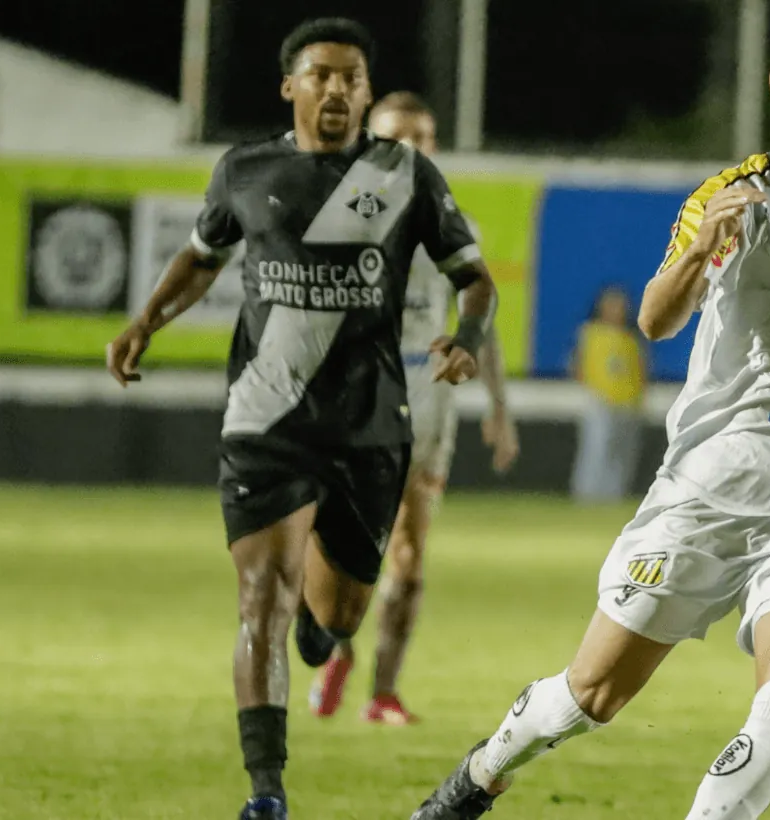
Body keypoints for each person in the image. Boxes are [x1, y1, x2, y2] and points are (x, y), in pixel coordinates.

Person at [409, 13, 770, 820]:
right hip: (713, 492)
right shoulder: (735, 201)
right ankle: (481, 774)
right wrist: (696, 255)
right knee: (592, 695)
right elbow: (654, 319)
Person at [104, 18, 498, 820]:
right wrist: (147, 319)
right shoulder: (246, 169)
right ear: (291, 86)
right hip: (265, 419)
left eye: (351, 77)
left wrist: (469, 338)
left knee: (336, 613)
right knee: (261, 596)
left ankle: (325, 640)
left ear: (365, 92)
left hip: (368, 427)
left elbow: (476, 277)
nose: (337, 89)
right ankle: (267, 792)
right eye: (320, 74)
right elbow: (200, 256)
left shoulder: (403, 174)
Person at [307, 91, 521, 727]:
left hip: (431, 401)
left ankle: (384, 693)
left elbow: (483, 318)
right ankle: (339, 647)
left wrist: (499, 408)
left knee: (410, 549)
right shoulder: (339, 220)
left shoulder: (455, 225)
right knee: (347, 547)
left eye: (425, 138)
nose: (415, 150)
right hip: (358, 400)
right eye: (399, 138)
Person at [569, 284, 647, 503]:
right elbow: (578, 364)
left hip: (629, 402)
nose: (617, 310)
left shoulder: (631, 338)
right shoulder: (590, 332)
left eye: (621, 305)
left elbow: (640, 369)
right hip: (600, 400)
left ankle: (613, 496)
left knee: (622, 453)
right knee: (596, 450)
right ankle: (587, 495)